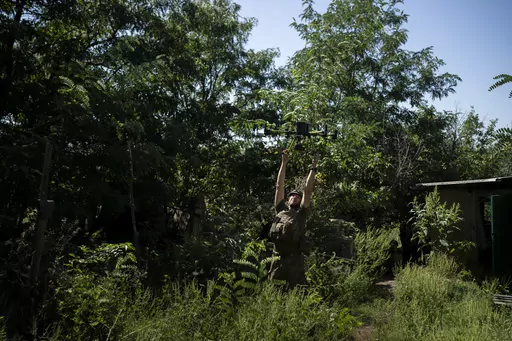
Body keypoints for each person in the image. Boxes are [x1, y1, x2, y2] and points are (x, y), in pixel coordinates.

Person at [268, 149, 318, 287]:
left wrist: (313, 168)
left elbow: (307, 190)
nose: (294, 197)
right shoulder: (281, 210)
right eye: (291, 195)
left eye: (297, 196)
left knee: (297, 290)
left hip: (295, 260)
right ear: (287, 199)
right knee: (274, 289)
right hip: (277, 258)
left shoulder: (301, 213)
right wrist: (284, 163)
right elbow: (279, 187)